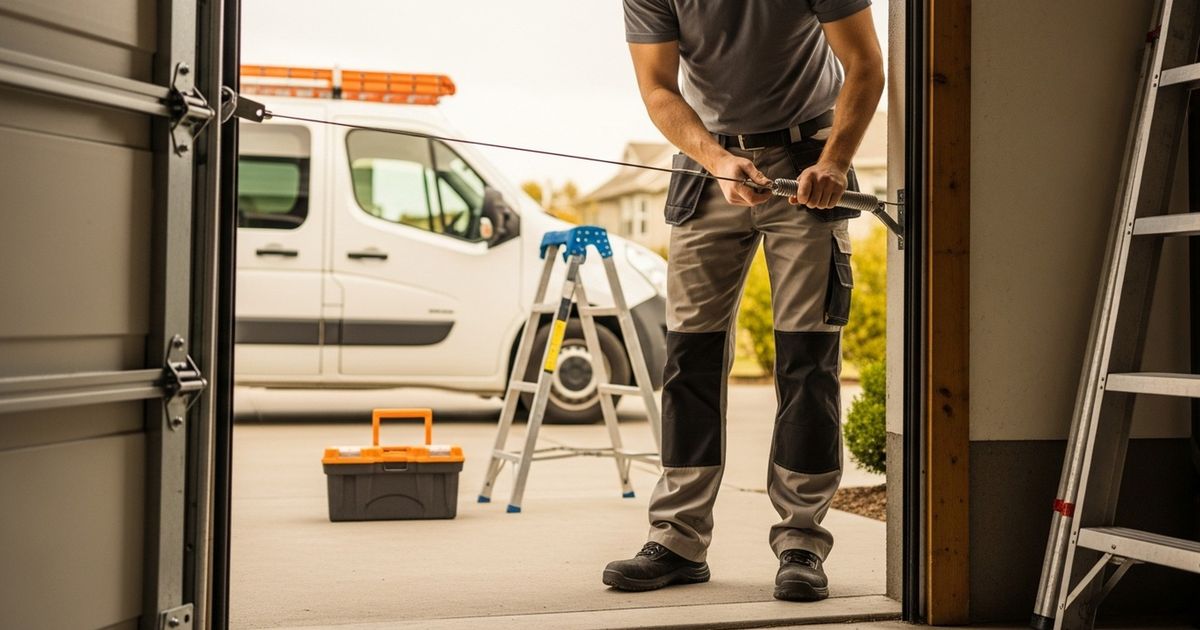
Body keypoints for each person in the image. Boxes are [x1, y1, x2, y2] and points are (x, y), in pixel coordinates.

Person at [601, 0, 884, 602]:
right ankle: (676, 538)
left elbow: (864, 63)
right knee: (690, 357)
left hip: (810, 165)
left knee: (808, 359)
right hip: (707, 169)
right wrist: (716, 159)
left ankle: (802, 541)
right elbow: (658, 87)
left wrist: (836, 159)